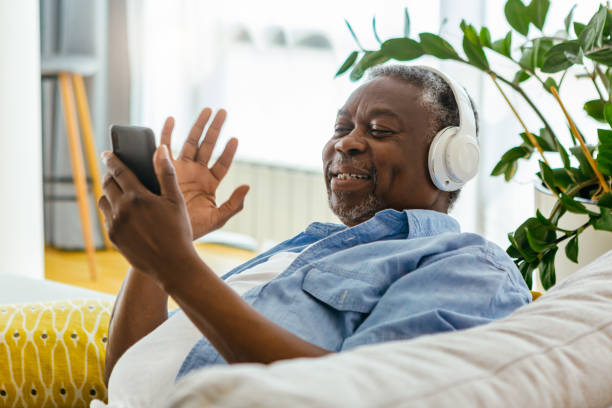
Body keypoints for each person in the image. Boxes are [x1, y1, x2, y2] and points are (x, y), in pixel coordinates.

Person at [92, 65, 531, 407]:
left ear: (449, 162)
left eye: (379, 130)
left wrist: (177, 267)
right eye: (341, 129)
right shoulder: (299, 252)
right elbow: (128, 373)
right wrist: (157, 257)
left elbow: (358, 396)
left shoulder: (465, 265)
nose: (347, 143)